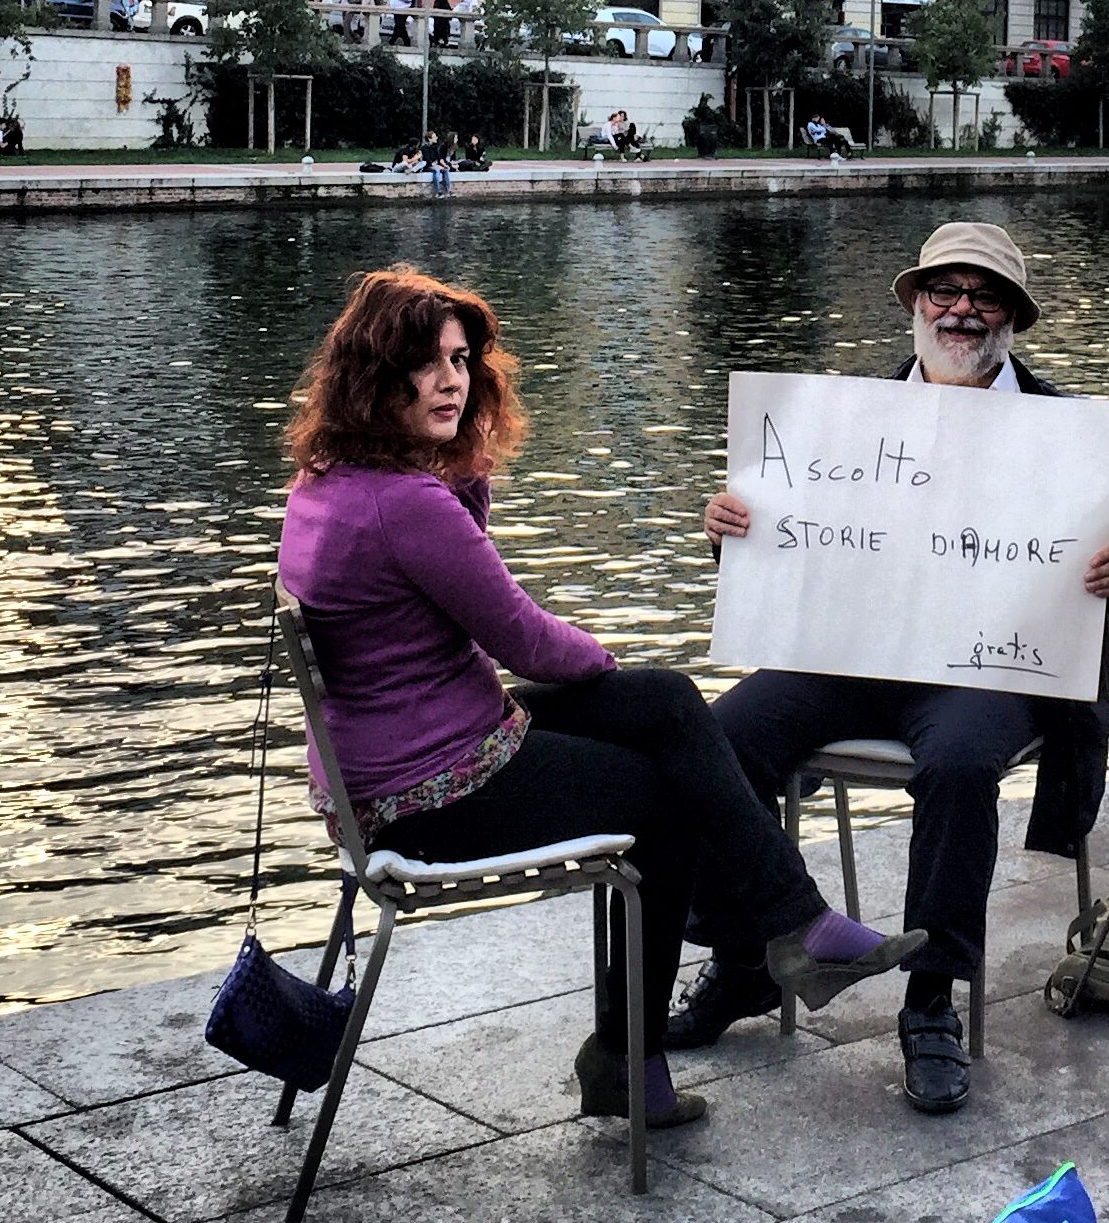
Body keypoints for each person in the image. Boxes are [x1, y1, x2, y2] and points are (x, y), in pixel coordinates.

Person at [277, 267, 926, 1130]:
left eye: (462, 361)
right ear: (373, 375)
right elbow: (522, 637)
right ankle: (640, 1049)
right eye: (424, 364)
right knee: (668, 801)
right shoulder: (404, 506)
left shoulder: (331, 482)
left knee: (664, 703)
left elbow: (462, 593)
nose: (451, 381)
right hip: (428, 791)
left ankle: (789, 928)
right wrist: (601, 659)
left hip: (397, 764)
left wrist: (459, 467)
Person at [673, 222, 1109, 1115]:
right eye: (943, 291)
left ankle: (930, 1000)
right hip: (851, 655)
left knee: (956, 765)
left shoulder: (1067, 431)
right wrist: (732, 530)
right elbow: (785, 545)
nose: (960, 310)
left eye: (982, 296)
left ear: (1011, 318)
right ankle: (749, 955)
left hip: (988, 668)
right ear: (915, 304)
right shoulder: (840, 418)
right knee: (716, 738)